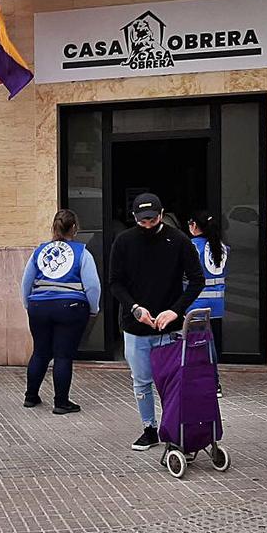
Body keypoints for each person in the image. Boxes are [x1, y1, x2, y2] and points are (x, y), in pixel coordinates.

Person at [108, 192, 204, 452]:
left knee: (172, 381)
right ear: (134, 218)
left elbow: (197, 280)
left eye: (152, 220)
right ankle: (149, 429)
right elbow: (115, 282)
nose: (147, 225)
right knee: (141, 380)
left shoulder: (179, 240)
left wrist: (175, 311)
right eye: (142, 221)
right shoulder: (124, 242)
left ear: (162, 215)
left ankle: (173, 429)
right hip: (136, 325)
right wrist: (135, 308)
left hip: (169, 326)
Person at [21, 210, 101, 414]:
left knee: (40, 352)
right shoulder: (82, 252)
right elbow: (92, 286)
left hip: (39, 306)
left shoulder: (39, 251)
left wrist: (29, 305)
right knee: (63, 355)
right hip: (71, 308)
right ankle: (61, 402)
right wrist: (93, 309)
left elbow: (26, 282)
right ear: (74, 228)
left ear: (54, 228)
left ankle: (31, 397)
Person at [187, 210, 229, 398]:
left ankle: (209, 382)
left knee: (198, 345)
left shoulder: (191, 247)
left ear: (195, 226)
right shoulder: (221, 247)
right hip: (217, 303)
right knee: (210, 343)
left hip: (196, 304)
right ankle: (212, 381)